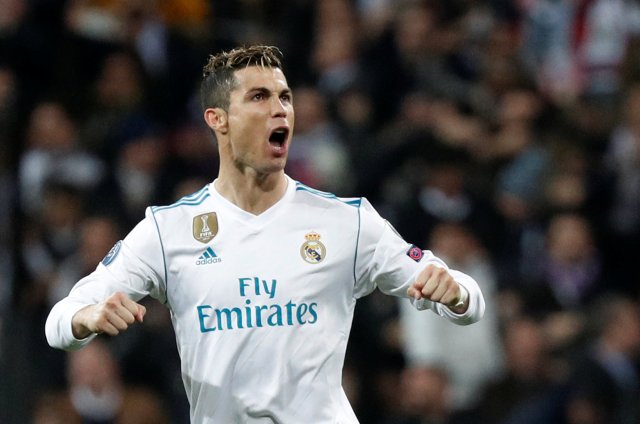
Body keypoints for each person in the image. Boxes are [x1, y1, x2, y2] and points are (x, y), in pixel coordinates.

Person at [45, 45, 485, 423]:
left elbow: (467, 298)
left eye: (285, 96)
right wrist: (84, 320)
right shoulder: (168, 230)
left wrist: (457, 294)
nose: (280, 108)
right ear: (217, 119)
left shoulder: (346, 222)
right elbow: (60, 321)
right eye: (259, 96)